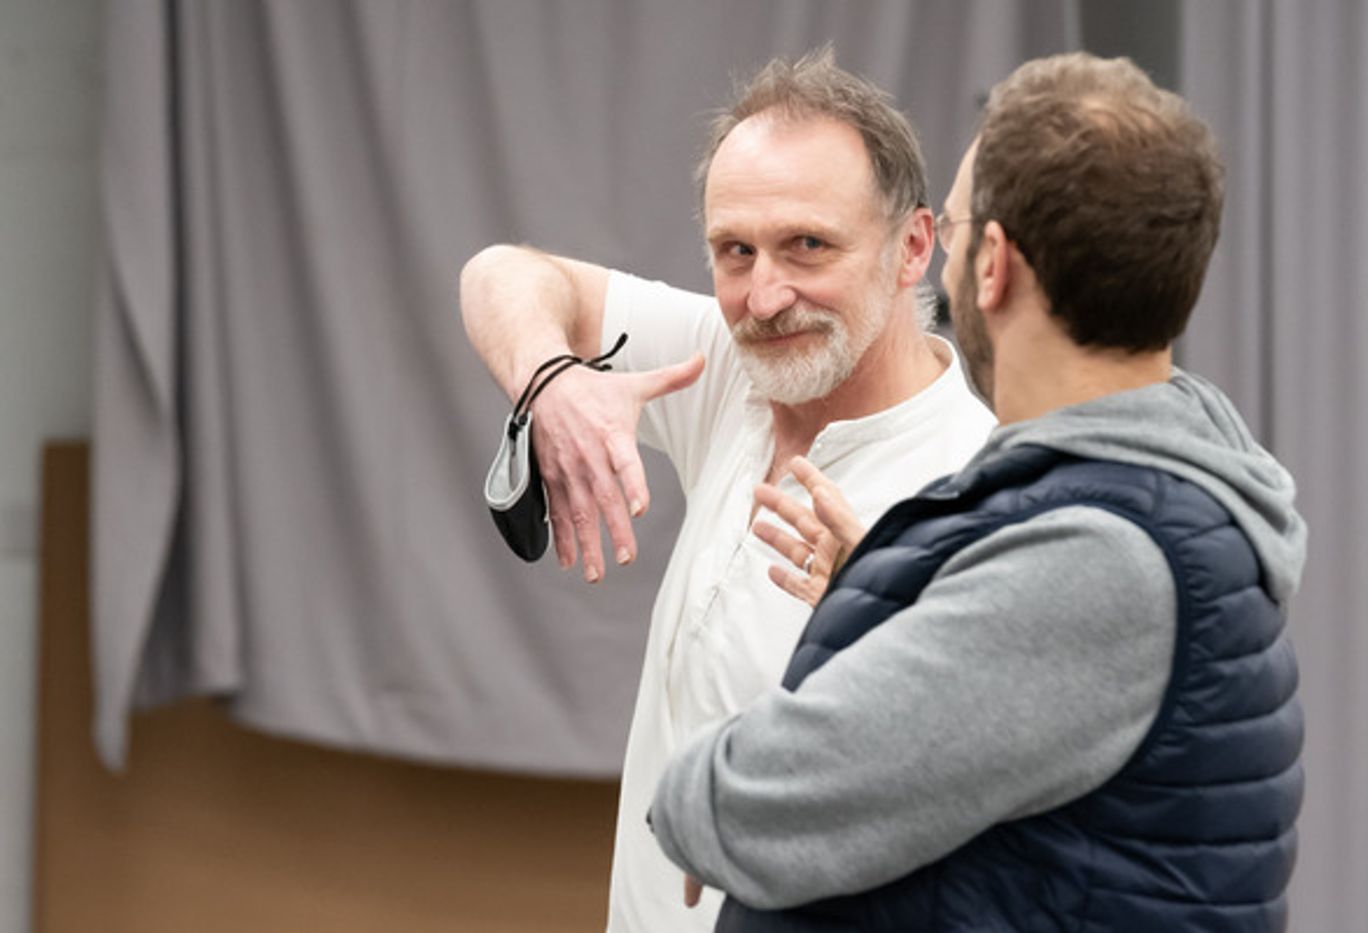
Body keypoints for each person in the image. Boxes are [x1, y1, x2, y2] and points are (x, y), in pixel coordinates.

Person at [649, 51, 1308, 931]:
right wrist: (902, 594)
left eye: (954, 229)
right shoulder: (1131, 507)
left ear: (990, 262)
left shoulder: (1102, 553)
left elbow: (758, 798)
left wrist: (689, 804)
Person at [458, 49, 995, 932]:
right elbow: (501, 274)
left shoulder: (970, 487)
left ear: (911, 248)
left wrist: (880, 622)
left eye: (808, 246)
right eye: (734, 251)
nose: (764, 295)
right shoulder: (733, 369)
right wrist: (549, 378)